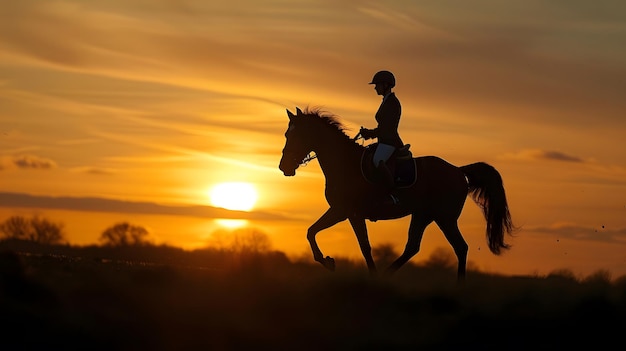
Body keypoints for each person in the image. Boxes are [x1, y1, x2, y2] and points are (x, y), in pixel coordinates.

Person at [359, 70, 405, 196]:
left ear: (386, 85)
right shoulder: (386, 101)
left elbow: (387, 128)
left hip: (390, 141)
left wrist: (370, 133)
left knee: (377, 160)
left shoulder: (392, 103)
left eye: (377, 85)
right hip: (384, 141)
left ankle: (391, 193)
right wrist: (369, 133)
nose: (375, 88)